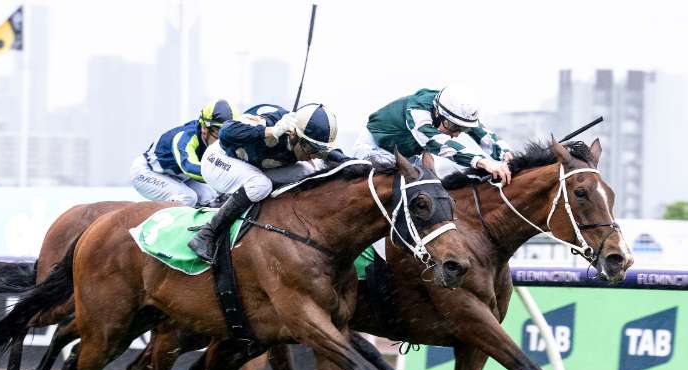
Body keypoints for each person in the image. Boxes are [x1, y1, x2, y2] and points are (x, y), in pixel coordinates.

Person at [188, 102, 339, 264]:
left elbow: (336, 157)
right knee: (261, 185)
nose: (314, 156)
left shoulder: (302, 136)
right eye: (311, 149)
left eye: (319, 152)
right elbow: (226, 131)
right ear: (294, 135)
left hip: (252, 166)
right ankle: (208, 233)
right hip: (218, 160)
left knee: (309, 172)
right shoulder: (274, 121)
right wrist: (271, 131)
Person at [353, 86, 513, 185]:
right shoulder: (417, 112)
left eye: (462, 129)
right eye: (453, 127)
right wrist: (484, 162)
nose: (455, 135)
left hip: (406, 154)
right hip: (375, 149)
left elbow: (482, 133)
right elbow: (439, 144)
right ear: (437, 113)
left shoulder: (451, 109)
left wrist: (506, 154)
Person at [130, 99, 238, 207]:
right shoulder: (185, 138)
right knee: (187, 197)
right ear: (204, 129)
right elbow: (189, 167)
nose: (223, 141)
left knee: (210, 196)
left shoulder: (216, 140)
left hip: (179, 176)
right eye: (219, 133)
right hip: (147, 172)